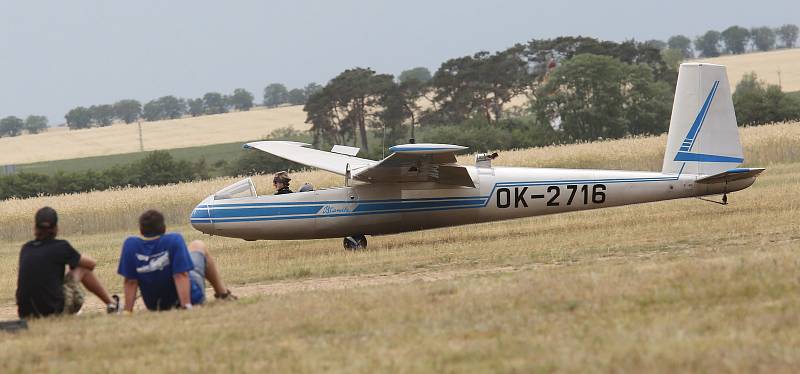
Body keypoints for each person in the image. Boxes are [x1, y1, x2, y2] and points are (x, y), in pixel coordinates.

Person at [117, 210, 236, 312]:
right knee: (198, 245)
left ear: (141, 230)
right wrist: (186, 306)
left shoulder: (130, 244)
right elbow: (180, 275)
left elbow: (130, 282)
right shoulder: (174, 240)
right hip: (190, 298)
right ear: (164, 228)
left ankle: (222, 294)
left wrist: (128, 311)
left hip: (154, 305)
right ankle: (223, 294)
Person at [16, 207, 119, 319]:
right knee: (82, 268)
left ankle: (111, 303)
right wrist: (77, 258)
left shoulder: (26, 248)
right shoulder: (61, 246)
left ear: (35, 227)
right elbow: (91, 264)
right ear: (56, 227)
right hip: (53, 312)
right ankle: (112, 304)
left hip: (25, 313)